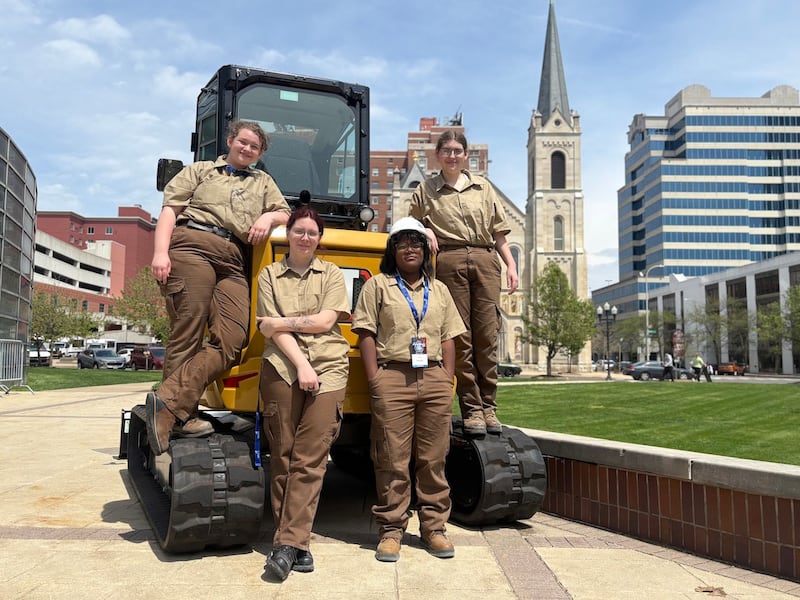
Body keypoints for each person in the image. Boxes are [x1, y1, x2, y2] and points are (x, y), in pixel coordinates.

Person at [145, 120, 290, 456]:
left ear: (260, 154)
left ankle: (167, 402)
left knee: (234, 338)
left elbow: (285, 212)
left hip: (234, 258)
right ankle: (184, 415)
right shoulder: (200, 171)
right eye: (243, 142)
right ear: (230, 141)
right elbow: (170, 210)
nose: (248, 149)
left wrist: (268, 218)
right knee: (189, 327)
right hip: (193, 244)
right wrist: (160, 252)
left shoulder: (263, 182)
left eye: (255, 147)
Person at [352, 217, 466, 562]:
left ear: (425, 250)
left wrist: (447, 377)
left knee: (433, 458)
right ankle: (391, 529)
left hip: (433, 378)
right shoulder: (378, 286)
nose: (410, 249)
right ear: (393, 251)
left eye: (416, 243)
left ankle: (434, 528)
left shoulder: (440, 290)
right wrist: (375, 378)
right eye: (402, 244)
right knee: (392, 458)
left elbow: (449, 337)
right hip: (393, 377)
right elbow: (366, 335)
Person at [257, 207, 351, 581]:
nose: (305, 237)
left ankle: (287, 545)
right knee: (282, 454)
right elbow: (274, 334)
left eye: (312, 232)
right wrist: (301, 364)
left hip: (329, 367)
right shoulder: (269, 275)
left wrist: (280, 321)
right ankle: (298, 544)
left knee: (310, 458)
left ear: (319, 239)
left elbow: (327, 322)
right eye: (299, 231)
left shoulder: (331, 273)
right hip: (282, 366)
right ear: (288, 234)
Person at [409, 130, 518, 436]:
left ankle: (490, 407)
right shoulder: (426, 189)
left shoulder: (483, 187)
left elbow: (499, 234)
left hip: (485, 260)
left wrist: (511, 265)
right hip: (449, 260)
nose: (452, 155)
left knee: (487, 335)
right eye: (447, 150)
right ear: (438, 155)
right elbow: (410, 224)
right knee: (461, 339)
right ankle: (471, 409)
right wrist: (424, 230)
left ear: (465, 155)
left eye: (458, 150)